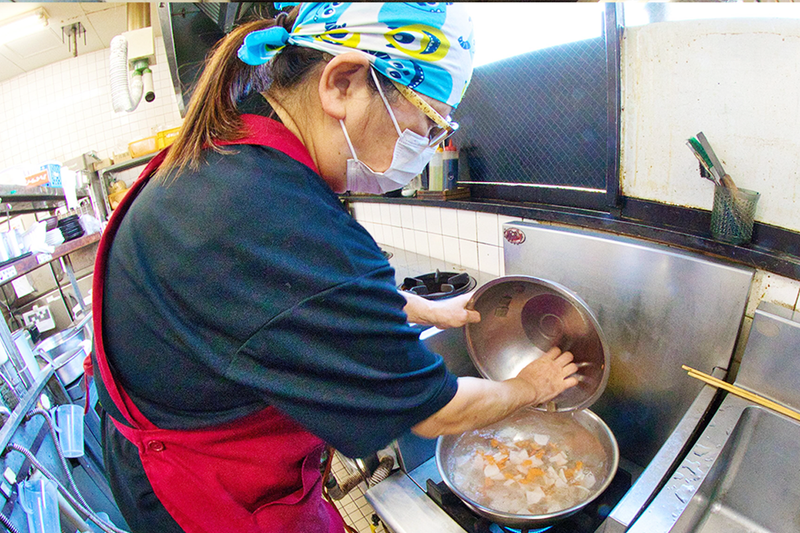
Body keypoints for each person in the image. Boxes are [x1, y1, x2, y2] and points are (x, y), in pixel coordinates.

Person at [90, 3, 579, 533]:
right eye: (426, 126)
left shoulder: (232, 161)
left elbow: (277, 295)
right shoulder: (273, 214)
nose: (425, 151)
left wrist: (426, 310)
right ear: (342, 83)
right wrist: (529, 387)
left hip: (165, 442)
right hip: (207, 491)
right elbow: (436, 412)